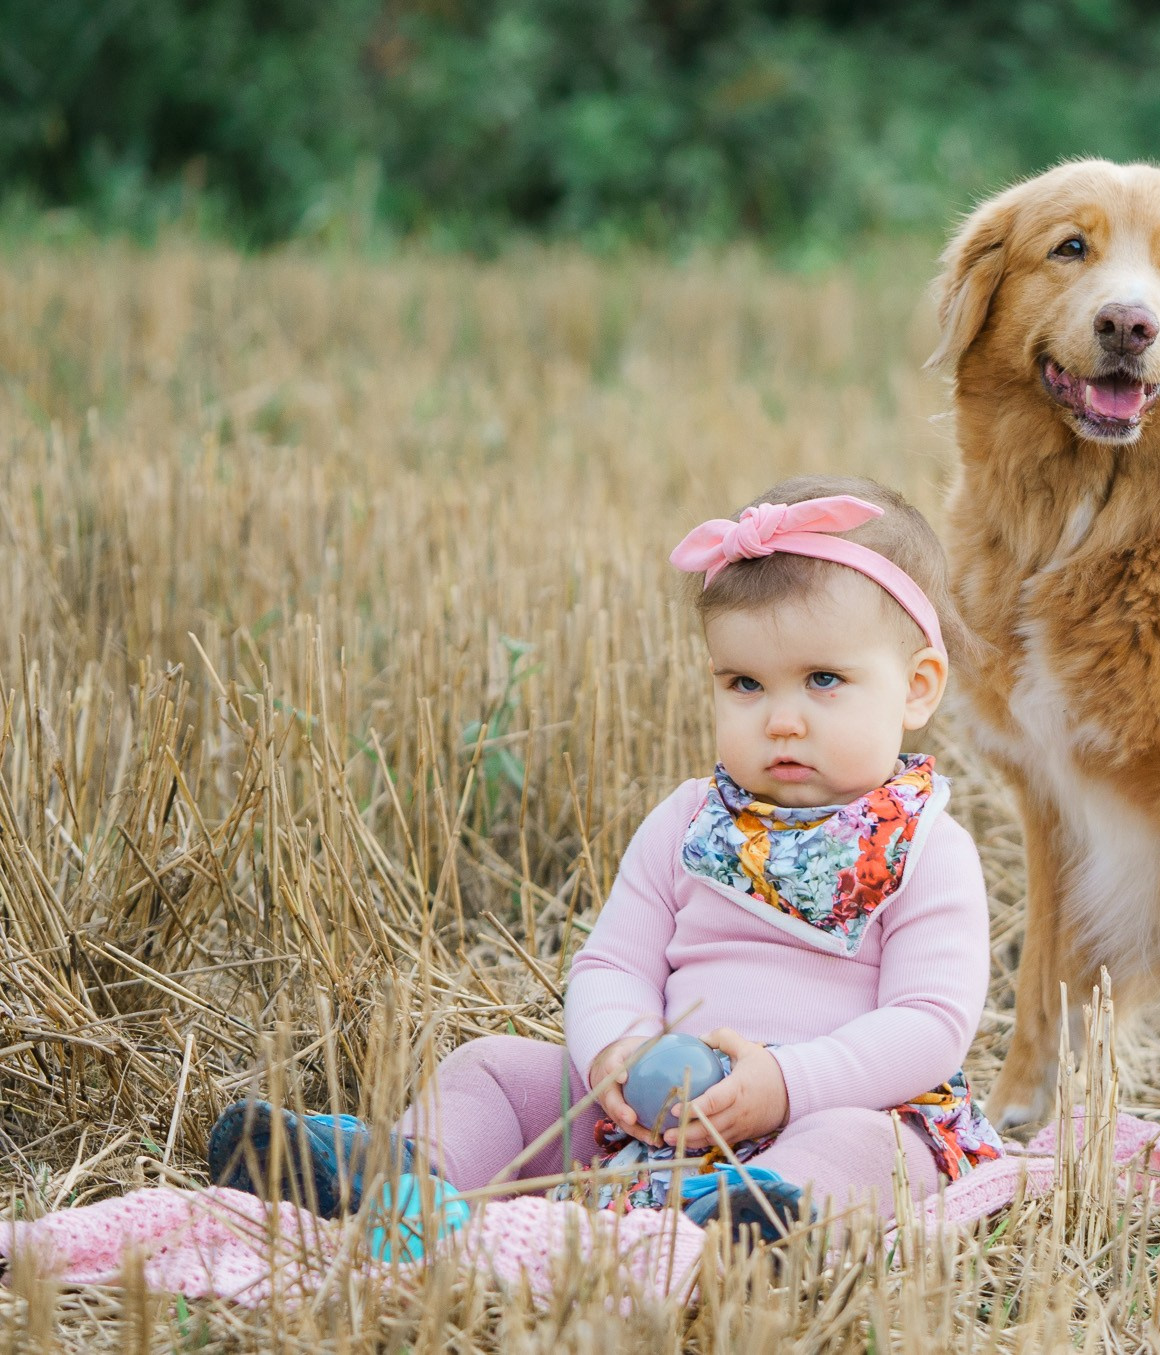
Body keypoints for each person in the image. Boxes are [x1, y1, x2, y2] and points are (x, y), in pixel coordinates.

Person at [207, 477, 1001, 1243]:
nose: (781, 720)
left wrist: (789, 1086)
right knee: (492, 1068)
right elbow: (612, 962)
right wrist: (615, 1051)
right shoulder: (688, 824)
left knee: (869, 1150)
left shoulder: (927, 848)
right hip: (662, 1121)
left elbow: (927, 1025)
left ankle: (750, 1224)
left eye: (824, 680)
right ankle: (408, 1176)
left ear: (917, 688)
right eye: (746, 683)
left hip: (838, 1104)